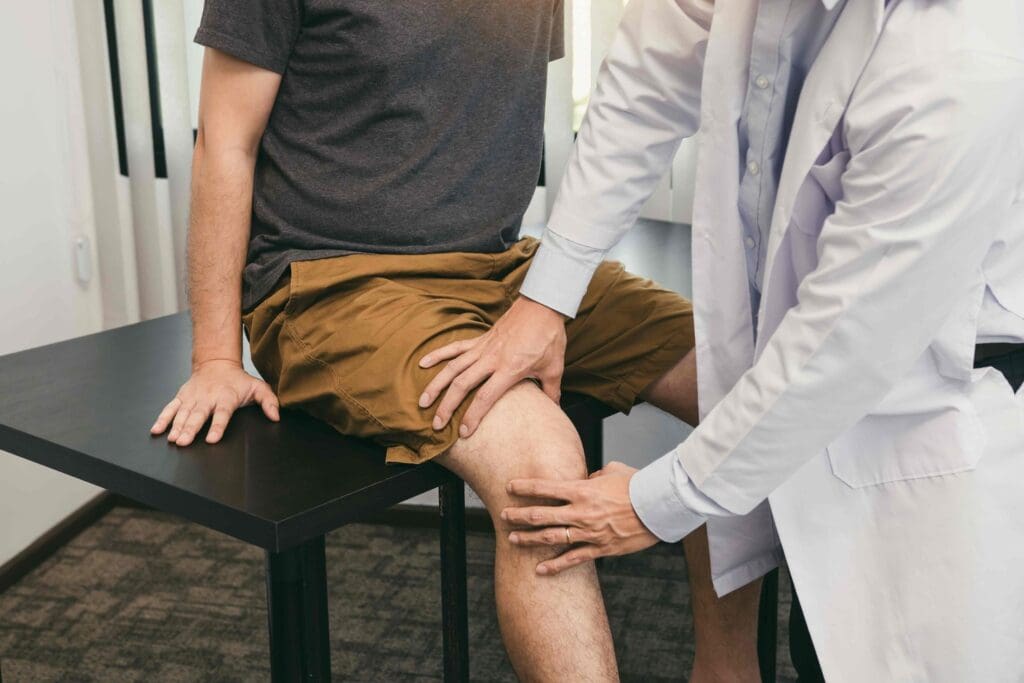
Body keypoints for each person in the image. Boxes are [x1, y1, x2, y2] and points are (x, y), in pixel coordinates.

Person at [149, 0, 765, 679]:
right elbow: (226, 141)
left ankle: (728, 670)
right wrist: (213, 355)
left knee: (740, 387)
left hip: (502, 267)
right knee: (539, 454)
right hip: (331, 281)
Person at [422, 0, 1024, 680]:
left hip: (933, 409)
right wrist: (547, 296)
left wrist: (654, 502)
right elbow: (644, 83)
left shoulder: (962, 58)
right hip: (826, 383)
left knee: (912, 651)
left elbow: (843, 342)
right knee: (819, 642)